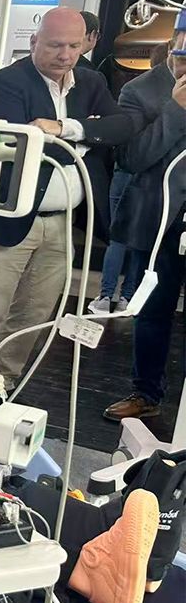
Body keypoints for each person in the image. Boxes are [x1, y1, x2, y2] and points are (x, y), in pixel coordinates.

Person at [0, 7, 133, 391]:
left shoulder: (90, 83)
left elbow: (123, 126)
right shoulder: (4, 83)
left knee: (36, 313)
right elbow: (18, 144)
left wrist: (64, 129)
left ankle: (2, 384)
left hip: (62, 223)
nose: (65, 55)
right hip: (8, 220)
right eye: (55, 45)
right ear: (34, 41)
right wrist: (89, 135)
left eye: (74, 45)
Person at [102, 21, 186, 422]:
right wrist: (177, 110)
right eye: (184, 54)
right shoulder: (139, 91)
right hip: (158, 222)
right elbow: (132, 158)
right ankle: (146, 392)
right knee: (153, 311)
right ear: (172, 46)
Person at [89, 43, 169, 314]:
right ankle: (123, 296)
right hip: (142, 176)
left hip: (131, 177)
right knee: (133, 239)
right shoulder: (153, 93)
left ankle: (108, 295)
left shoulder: (136, 89)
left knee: (122, 239)